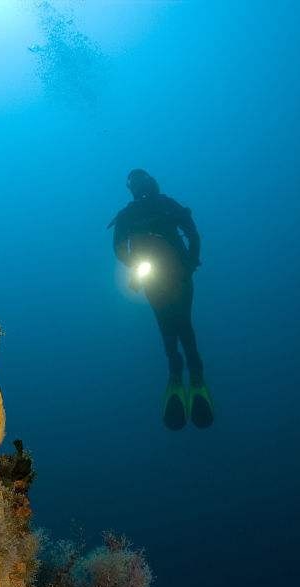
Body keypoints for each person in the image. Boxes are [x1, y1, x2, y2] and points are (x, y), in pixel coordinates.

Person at [109, 169, 213, 429]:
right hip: (171, 275)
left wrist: (188, 263)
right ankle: (189, 372)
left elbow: (119, 248)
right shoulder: (157, 207)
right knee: (177, 323)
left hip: (168, 275)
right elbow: (192, 233)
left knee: (172, 324)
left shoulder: (136, 212)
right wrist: (189, 263)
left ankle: (180, 371)